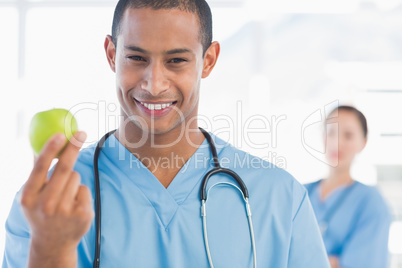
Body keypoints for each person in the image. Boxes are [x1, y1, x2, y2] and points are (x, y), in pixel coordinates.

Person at [2, 0, 330, 267]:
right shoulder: (46, 206)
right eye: (136, 58)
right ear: (112, 55)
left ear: (208, 60)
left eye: (175, 60)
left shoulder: (280, 199)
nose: (154, 84)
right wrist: (50, 249)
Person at [305, 105, 391, 268]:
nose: (337, 142)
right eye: (331, 133)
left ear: (363, 143)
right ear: (323, 138)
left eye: (348, 135)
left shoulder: (371, 203)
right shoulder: (300, 193)